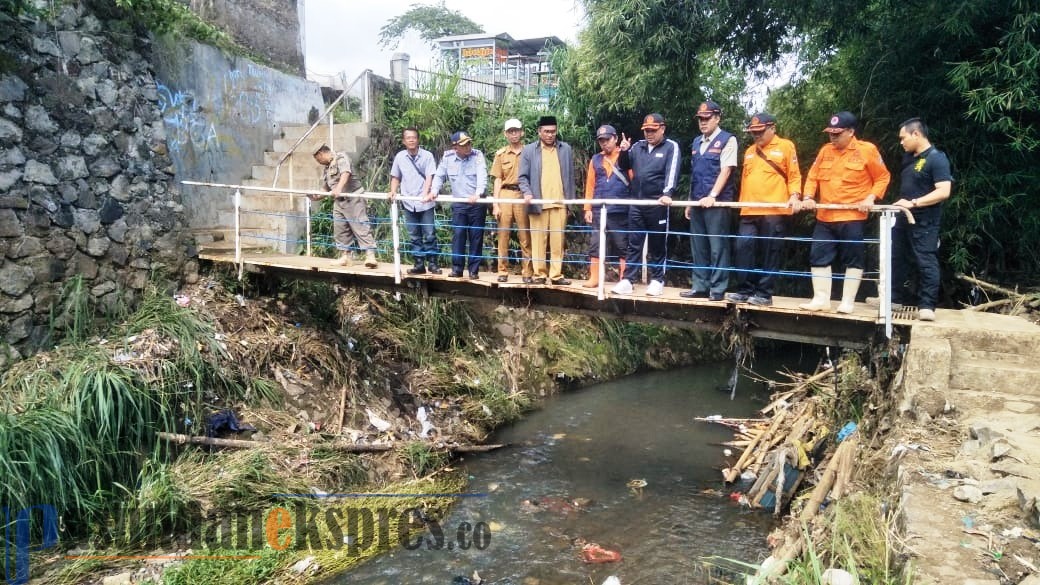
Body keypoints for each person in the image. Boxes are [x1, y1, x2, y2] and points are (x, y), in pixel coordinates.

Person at [798, 111, 891, 313]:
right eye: (830, 133)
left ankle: (847, 301)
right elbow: (812, 176)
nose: (833, 137)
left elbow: (882, 177)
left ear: (850, 131)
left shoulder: (867, 150)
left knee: (853, 258)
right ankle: (821, 299)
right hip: (825, 216)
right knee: (818, 256)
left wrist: (871, 197)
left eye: (837, 133)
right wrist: (807, 197)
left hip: (852, 216)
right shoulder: (825, 151)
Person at [725, 113, 802, 306]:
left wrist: (795, 196)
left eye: (760, 132)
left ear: (772, 128)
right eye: (753, 133)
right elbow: (744, 180)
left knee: (770, 251)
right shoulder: (750, 151)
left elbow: (794, 175)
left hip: (773, 209)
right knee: (743, 248)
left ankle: (764, 293)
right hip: (749, 209)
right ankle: (744, 289)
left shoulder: (786, 146)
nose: (756, 136)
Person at [890, 117, 953, 321]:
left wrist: (914, 203)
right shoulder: (909, 158)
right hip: (902, 219)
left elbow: (944, 191)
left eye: (903, 138)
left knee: (925, 260)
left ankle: (927, 305)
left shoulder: (937, 158)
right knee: (897, 258)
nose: (901, 142)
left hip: (924, 220)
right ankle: (894, 298)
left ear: (916, 134)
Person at [612, 113, 681, 297]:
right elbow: (623, 166)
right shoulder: (637, 146)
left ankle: (657, 280)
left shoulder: (670, 147)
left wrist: (667, 193)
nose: (649, 133)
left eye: (653, 130)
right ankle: (628, 280)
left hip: (657, 203)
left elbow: (672, 172)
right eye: (646, 130)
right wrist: (624, 150)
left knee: (658, 245)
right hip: (637, 202)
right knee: (634, 244)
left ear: (662, 129)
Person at [681, 101, 737, 301]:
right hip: (697, 202)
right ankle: (700, 286)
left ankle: (718, 288)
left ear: (717, 118)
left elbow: (726, 170)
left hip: (717, 203)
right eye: (700, 119)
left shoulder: (728, 140)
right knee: (699, 247)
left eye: (707, 118)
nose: (703, 122)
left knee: (717, 247)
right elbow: (695, 174)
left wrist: (712, 196)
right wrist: (689, 202)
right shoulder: (697, 142)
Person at [518, 115, 575, 286]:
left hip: (559, 203)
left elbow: (570, 176)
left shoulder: (565, 149)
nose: (550, 135)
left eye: (553, 131)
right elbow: (522, 177)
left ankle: (556, 275)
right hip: (538, 204)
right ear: (539, 132)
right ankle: (539, 275)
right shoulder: (529, 150)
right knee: (538, 242)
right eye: (546, 131)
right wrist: (527, 193)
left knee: (558, 242)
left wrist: (570, 202)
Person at [428, 131, 488, 279]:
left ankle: (473, 271)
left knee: (476, 237)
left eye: (469, 143)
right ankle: (457, 269)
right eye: (464, 145)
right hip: (459, 203)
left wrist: (478, 194)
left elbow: (482, 176)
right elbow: (439, 175)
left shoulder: (477, 155)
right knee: (459, 235)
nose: (468, 146)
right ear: (455, 147)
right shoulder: (447, 157)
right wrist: (434, 191)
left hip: (476, 203)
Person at [581, 124, 630, 288]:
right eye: (601, 141)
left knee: (622, 244)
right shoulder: (595, 159)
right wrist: (587, 208)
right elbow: (590, 185)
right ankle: (594, 277)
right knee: (595, 244)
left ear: (615, 139)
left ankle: (625, 279)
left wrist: (626, 153)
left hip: (619, 209)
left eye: (607, 140)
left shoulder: (625, 156)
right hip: (598, 209)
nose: (604, 143)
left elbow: (633, 178)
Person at [312, 144, 377, 268]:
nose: (318, 162)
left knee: (360, 226)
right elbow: (326, 187)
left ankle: (370, 256)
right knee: (340, 229)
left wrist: (339, 188)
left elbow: (345, 173)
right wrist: (316, 196)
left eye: (317, 159)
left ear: (321, 154)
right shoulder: (327, 168)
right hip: (339, 202)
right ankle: (345, 256)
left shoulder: (341, 157)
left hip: (353, 198)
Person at [389, 127, 440, 274]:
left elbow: (430, 176)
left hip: (425, 203)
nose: (411, 140)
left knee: (429, 233)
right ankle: (419, 264)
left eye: (414, 137)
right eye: (408, 138)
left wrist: (425, 194)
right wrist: (393, 191)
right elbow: (396, 177)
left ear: (418, 140)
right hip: (408, 202)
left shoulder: (427, 156)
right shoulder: (400, 157)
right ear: (404, 141)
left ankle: (433, 264)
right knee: (414, 235)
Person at [490, 118, 533, 283]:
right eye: (510, 131)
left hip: (523, 195)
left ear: (522, 132)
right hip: (506, 194)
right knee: (503, 235)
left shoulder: (529, 152)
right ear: (505, 134)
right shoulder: (501, 154)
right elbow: (497, 180)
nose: (514, 134)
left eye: (516, 130)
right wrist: (495, 203)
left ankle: (527, 272)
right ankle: (502, 270)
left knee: (525, 235)